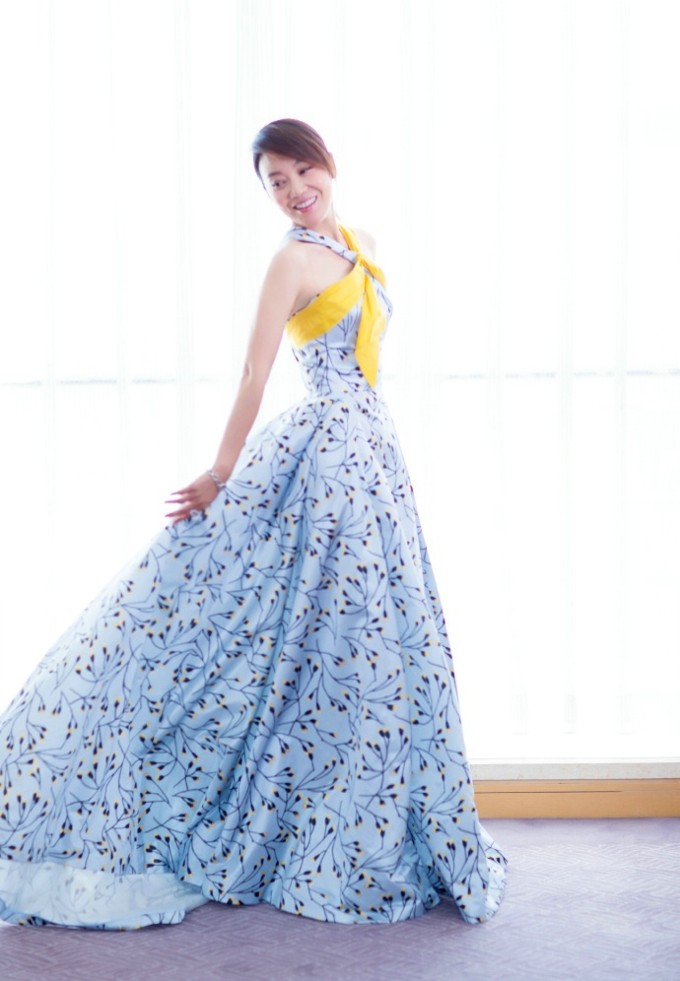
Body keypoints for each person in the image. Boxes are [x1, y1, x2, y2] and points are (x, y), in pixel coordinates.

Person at [0, 119, 506, 929]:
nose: (295, 189)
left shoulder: (363, 243)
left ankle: (360, 817)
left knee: (365, 639)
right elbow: (253, 371)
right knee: (323, 633)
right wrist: (220, 471)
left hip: (375, 455)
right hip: (328, 458)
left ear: (328, 164)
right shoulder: (290, 261)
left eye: (302, 170)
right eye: (276, 182)